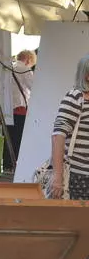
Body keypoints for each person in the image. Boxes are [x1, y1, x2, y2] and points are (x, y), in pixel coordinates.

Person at [51, 55, 89, 200]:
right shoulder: (75, 97)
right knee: (78, 221)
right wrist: (58, 177)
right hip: (79, 177)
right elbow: (58, 136)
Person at [4, 50, 36, 172]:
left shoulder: (8, 67)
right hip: (19, 109)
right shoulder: (26, 70)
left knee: (8, 137)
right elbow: (33, 87)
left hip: (6, 109)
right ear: (28, 59)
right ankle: (14, 164)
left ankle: (7, 164)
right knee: (18, 138)